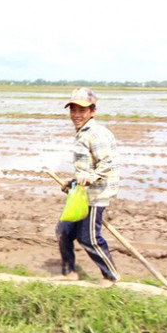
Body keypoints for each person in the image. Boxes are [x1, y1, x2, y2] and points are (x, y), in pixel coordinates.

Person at [54, 87, 120, 286]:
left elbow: (106, 163)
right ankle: (69, 273)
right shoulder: (82, 133)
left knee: (89, 238)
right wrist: (73, 182)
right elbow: (86, 166)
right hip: (81, 192)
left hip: (95, 194)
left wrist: (90, 178)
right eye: (73, 110)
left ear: (93, 111)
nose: (76, 115)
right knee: (63, 231)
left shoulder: (96, 134)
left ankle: (111, 276)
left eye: (81, 111)